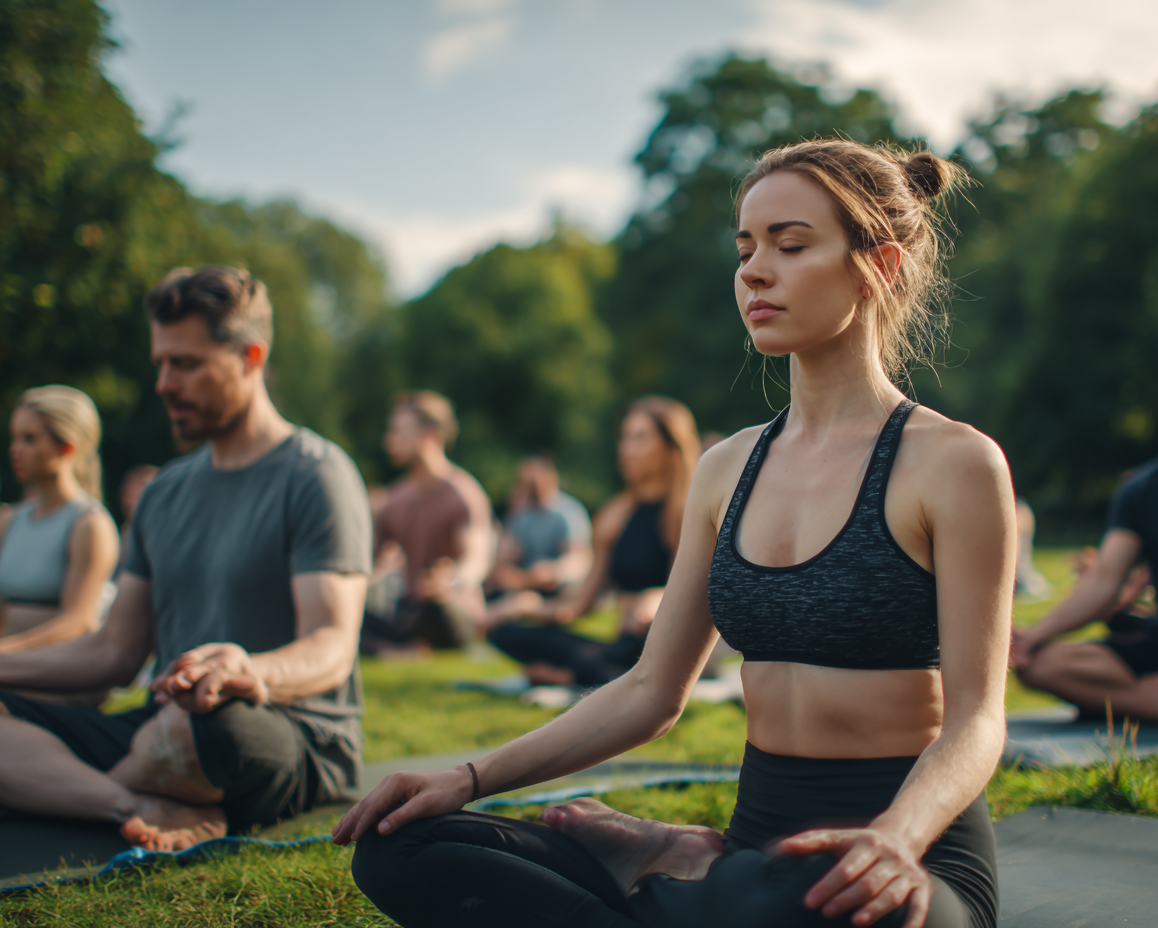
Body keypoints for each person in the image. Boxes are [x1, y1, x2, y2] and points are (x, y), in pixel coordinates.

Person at [335, 139, 1012, 928]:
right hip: (758, 849)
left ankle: (679, 879)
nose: (755, 270)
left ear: (881, 265)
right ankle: (695, 878)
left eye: (790, 246)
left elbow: (977, 718)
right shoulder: (726, 470)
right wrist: (469, 778)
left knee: (823, 909)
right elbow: (652, 691)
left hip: (906, 865)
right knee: (401, 846)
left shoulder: (954, 464)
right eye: (746, 247)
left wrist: (896, 836)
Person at [0, 266, 372, 850]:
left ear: (250, 357)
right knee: (163, 725)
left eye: (187, 364)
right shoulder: (163, 492)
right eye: (161, 363)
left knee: (204, 725)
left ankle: (56, 788)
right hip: (162, 726)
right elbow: (112, 654)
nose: (164, 384)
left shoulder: (318, 475)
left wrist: (249, 670)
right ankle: (129, 802)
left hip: (276, 732)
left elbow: (330, 646)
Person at [1013, 352, 1158, 724]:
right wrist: (1032, 637)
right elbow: (1103, 582)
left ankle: (1147, 698)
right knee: (1040, 664)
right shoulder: (1141, 488)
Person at [486, 398, 700, 687]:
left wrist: (657, 599)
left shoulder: (690, 511)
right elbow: (578, 607)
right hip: (622, 645)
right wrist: (526, 606)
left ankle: (574, 676)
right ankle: (593, 674)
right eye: (624, 438)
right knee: (505, 632)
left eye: (640, 438)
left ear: (671, 446)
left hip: (671, 647)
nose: (626, 449)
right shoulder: (615, 514)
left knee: (606, 665)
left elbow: (696, 595)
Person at [362, 391, 492, 654]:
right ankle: (397, 649)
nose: (389, 441)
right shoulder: (393, 500)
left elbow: (477, 558)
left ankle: (398, 647)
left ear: (430, 435)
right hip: (411, 609)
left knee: (437, 609)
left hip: (452, 609)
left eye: (398, 432)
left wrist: (451, 582)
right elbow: (366, 563)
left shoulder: (463, 493)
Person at [0, 386, 119, 655]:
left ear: (66, 447)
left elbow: (78, 622)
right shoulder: (8, 521)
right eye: (14, 438)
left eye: (29, 439)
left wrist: (4, 652)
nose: (15, 450)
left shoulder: (89, 525)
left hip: (55, 681)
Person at [483, 455, 593, 627]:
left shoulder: (568, 512)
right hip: (528, 583)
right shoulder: (522, 516)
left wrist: (554, 570)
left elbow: (580, 559)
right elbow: (504, 563)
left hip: (557, 584)